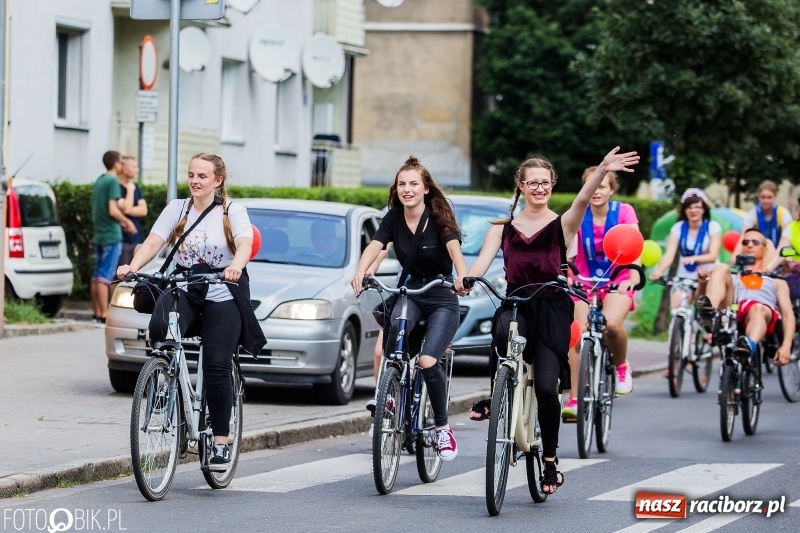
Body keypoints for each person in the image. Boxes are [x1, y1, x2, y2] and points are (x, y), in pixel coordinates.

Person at [464, 147, 639, 495]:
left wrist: (602, 169)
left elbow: (584, 199)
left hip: (552, 306)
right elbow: (482, 260)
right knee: (500, 334)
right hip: (516, 301)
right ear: (521, 185)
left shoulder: (563, 223)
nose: (539, 188)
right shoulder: (504, 227)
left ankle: (549, 461)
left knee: (547, 386)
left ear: (551, 185)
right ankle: (495, 394)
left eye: (545, 183)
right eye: (533, 183)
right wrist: (468, 279)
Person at [117, 153, 266, 470]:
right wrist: (133, 265)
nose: (195, 181)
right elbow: (153, 242)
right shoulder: (177, 208)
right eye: (191, 175)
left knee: (215, 364)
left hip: (222, 289)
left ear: (217, 180)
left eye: (202, 176)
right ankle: (164, 382)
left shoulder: (231, 211)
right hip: (185, 285)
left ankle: (221, 442)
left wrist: (237, 266)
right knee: (161, 331)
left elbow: (243, 243)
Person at [351, 155, 468, 461]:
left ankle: (442, 427)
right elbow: (376, 245)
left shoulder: (438, 214)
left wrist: (462, 276)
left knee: (429, 360)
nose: (407, 189)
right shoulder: (393, 218)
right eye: (402, 184)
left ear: (425, 188)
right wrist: (361, 271)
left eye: (414, 184)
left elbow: (454, 246)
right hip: (411, 291)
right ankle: (391, 394)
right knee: (395, 347)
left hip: (441, 293)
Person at [561, 165, 642, 421]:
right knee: (578, 333)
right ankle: (574, 398)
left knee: (611, 325)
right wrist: (566, 276)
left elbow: (635, 244)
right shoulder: (577, 213)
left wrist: (635, 275)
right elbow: (564, 248)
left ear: (611, 189)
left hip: (617, 280)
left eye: (602, 186)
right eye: (592, 186)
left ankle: (621, 366)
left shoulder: (624, 212)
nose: (597, 192)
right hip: (583, 282)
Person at [696, 228, 793, 366]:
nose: (750, 245)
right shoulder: (732, 273)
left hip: (758, 314)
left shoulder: (776, 279)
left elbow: (788, 315)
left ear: (765, 249)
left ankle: (747, 346)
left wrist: (786, 346)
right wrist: (702, 284)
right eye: (745, 242)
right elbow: (697, 300)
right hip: (732, 311)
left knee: (758, 308)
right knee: (721, 267)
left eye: (755, 242)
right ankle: (710, 315)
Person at [648, 188, 722, 307]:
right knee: (677, 307)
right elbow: (669, 254)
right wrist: (659, 271)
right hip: (685, 276)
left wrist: (694, 258)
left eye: (697, 207)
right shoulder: (678, 228)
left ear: (704, 209)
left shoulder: (713, 227)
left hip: (708, 275)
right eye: (689, 207)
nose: (693, 211)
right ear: (684, 210)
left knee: (706, 311)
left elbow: (713, 256)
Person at [91, 150, 136, 327]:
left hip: (99, 233)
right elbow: (113, 209)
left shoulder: (100, 180)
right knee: (105, 276)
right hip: (111, 233)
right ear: (116, 164)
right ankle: (104, 315)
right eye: (120, 162)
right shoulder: (112, 182)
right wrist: (126, 222)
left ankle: (96, 314)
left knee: (96, 276)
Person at [731, 180, 791, 257]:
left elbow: (786, 241)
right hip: (759, 257)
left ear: (775, 197)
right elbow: (743, 237)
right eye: (763, 197)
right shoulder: (753, 213)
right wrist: (734, 257)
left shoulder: (783, 214)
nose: (766, 201)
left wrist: (773, 261)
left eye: (769, 197)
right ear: (758, 197)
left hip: (779, 256)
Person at [117, 155, 148, 267]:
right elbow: (125, 208)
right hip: (123, 240)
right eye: (134, 167)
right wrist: (130, 191)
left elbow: (143, 210)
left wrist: (127, 208)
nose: (137, 170)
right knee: (121, 276)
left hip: (137, 238)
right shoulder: (116, 187)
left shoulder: (136, 187)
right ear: (125, 170)